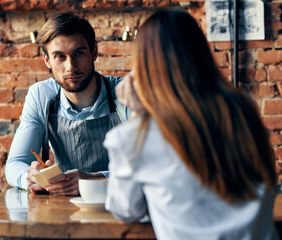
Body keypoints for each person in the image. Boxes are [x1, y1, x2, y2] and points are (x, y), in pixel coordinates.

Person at [104, 8, 278, 240]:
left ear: (143, 67)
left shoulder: (133, 136)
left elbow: (126, 210)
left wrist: (138, 116)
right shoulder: (242, 107)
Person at [5, 13, 129, 195]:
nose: (70, 66)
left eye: (78, 53)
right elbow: (15, 163)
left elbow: (153, 166)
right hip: (66, 208)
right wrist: (28, 177)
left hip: (123, 202)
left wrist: (95, 180)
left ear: (94, 52)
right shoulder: (41, 95)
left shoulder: (125, 93)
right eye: (60, 57)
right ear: (47, 60)